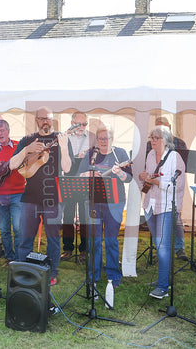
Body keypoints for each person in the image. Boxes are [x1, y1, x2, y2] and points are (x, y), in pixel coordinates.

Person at [9, 107, 71, 286]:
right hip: (29, 198)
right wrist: (27, 149)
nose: (46, 122)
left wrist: (65, 147)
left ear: (53, 120)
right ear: (36, 120)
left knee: (53, 239)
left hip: (53, 199)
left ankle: (52, 273)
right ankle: (23, 272)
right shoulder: (27, 139)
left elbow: (66, 168)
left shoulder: (61, 138)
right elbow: (13, 165)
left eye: (49, 118)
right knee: (25, 238)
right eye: (42, 118)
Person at [78, 123, 132, 288]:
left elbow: (128, 178)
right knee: (94, 240)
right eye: (100, 138)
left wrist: (119, 173)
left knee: (111, 240)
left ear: (112, 139)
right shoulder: (91, 154)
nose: (103, 141)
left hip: (114, 203)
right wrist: (87, 174)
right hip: (94, 201)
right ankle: (93, 275)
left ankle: (113, 275)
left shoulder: (120, 153)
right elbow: (79, 175)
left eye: (106, 138)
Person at [140, 126, 186, 299]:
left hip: (167, 206)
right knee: (160, 247)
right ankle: (163, 279)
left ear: (166, 140)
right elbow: (150, 178)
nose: (153, 141)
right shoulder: (150, 155)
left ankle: (162, 287)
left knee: (163, 247)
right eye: (152, 137)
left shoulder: (175, 157)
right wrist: (144, 177)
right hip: (151, 204)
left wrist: (157, 182)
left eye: (157, 138)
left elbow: (179, 185)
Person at [0, 119, 25, 265]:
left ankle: (20, 258)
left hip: (18, 192)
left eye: (2, 130)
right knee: (3, 229)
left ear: (8, 131)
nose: (0, 133)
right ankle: (9, 257)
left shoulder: (19, 146)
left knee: (19, 228)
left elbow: (27, 162)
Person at [60, 111, 90, 262]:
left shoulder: (91, 138)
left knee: (85, 215)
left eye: (85, 124)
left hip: (85, 180)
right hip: (70, 178)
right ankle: (67, 248)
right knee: (68, 215)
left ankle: (84, 249)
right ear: (73, 123)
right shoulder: (65, 137)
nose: (82, 127)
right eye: (80, 124)